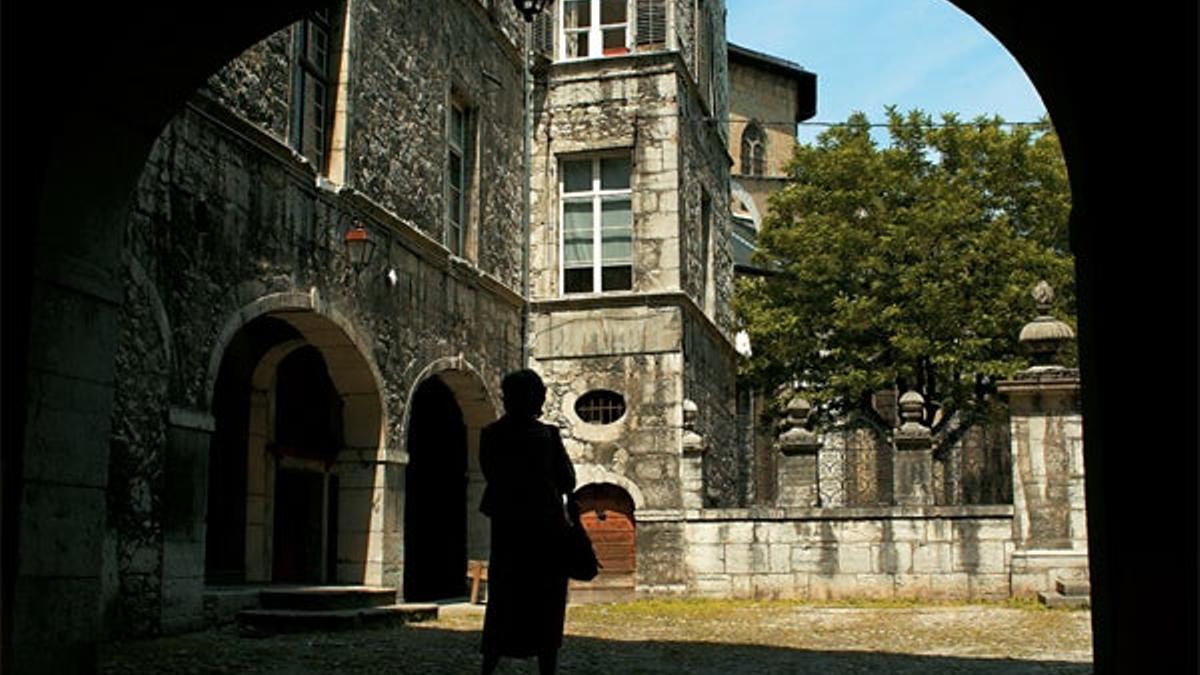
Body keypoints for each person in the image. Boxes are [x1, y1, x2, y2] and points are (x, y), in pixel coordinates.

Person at [478, 369, 576, 675]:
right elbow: (568, 480)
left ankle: (488, 667)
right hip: (545, 531)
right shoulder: (547, 436)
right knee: (546, 603)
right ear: (534, 398)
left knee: (503, 602)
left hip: (508, 531)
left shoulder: (491, 435)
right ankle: (547, 670)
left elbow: (490, 474)